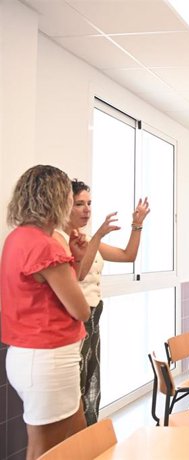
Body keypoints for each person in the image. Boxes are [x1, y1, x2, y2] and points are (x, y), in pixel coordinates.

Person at [1, 165, 91, 459]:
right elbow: (80, 309)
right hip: (47, 360)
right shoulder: (46, 247)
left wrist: (74, 259)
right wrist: (69, 259)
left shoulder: (17, 239)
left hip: (30, 355)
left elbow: (53, 293)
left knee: (80, 438)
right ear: (57, 199)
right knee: (44, 451)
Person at [54, 180, 150, 426]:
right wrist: (98, 235)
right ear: (65, 206)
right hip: (74, 320)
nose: (86, 210)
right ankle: (77, 441)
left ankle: (89, 435)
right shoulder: (60, 240)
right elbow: (80, 273)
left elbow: (128, 256)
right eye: (79, 204)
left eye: (89, 204)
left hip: (94, 317)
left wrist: (137, 224)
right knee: (77, 384)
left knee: (90, 383)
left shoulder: (86, 238)